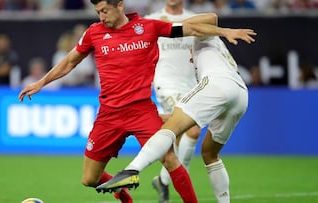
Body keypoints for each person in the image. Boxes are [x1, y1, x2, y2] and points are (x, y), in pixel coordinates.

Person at [18, 0, 256, 202]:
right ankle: (125, 197)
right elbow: (70, 61)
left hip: (141, 109)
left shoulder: (148, 27)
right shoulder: (94, 33)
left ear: (119, 5)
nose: (101, 16)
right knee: (89, 179)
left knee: (170, 159)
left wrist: (224, 32)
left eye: (104, 10)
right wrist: (41, 83)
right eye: (97, 12)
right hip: (108, 114)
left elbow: (191, 29)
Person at [95, 10, 256, 203]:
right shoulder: (211, 50)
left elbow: (210, 18)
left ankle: (132, 170)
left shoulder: (201, 35)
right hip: (240, 94)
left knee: (170, 130)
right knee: (210, 154)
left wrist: (171, 25)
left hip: (217, 83)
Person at [144, 1, 200, 202]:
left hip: (193, 85)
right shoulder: (151, 20)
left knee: (178, 136)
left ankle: (163, 181)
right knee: (192, 129)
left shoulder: (195, 18)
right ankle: (176, 182)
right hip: (166, 83)